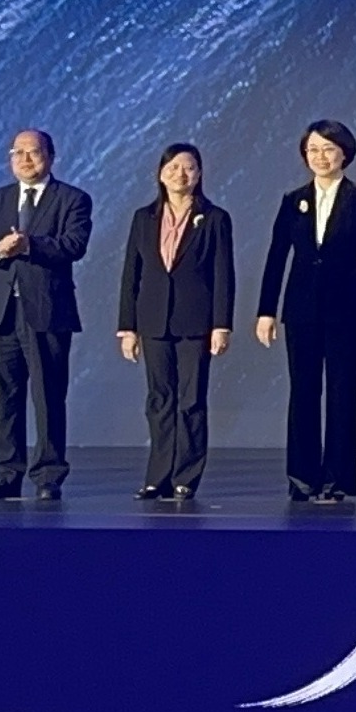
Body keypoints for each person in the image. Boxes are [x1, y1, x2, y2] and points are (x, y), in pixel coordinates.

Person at [256, 120, 356, 504]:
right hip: (301, 309)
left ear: (344, 153)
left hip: (349, 308)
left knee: (342, 393)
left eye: (328, 149)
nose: (320, 157)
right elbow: (276, 257)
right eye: (313, 150)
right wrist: (266, 310)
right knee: (303, 392)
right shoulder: (293, 200)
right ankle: (302, 478)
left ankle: (337, 480)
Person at [0, 129, 92, 501]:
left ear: (50, 157)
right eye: (17, 152)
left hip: (47, 311)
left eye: (33, 152)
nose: (25, 159)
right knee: (4, 396)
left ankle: (48, 475)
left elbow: (73, 245)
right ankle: (6, 473)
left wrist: (29, 245)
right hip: (1, 311)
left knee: (48, 395)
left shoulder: (72, 199)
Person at [114, 142, 233, 502]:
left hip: (196, 321)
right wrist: (127, 328)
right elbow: (131, 274)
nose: (181, 174)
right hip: (152, 320)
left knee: (191, 400)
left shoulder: (214, 218)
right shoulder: (143, 217)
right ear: (160, 174)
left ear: (199, 174)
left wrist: (221, 325)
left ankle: (186, 477)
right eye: (173, 168)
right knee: (159, 399)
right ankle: (157, 477)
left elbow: (223, 275)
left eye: (189, 168)